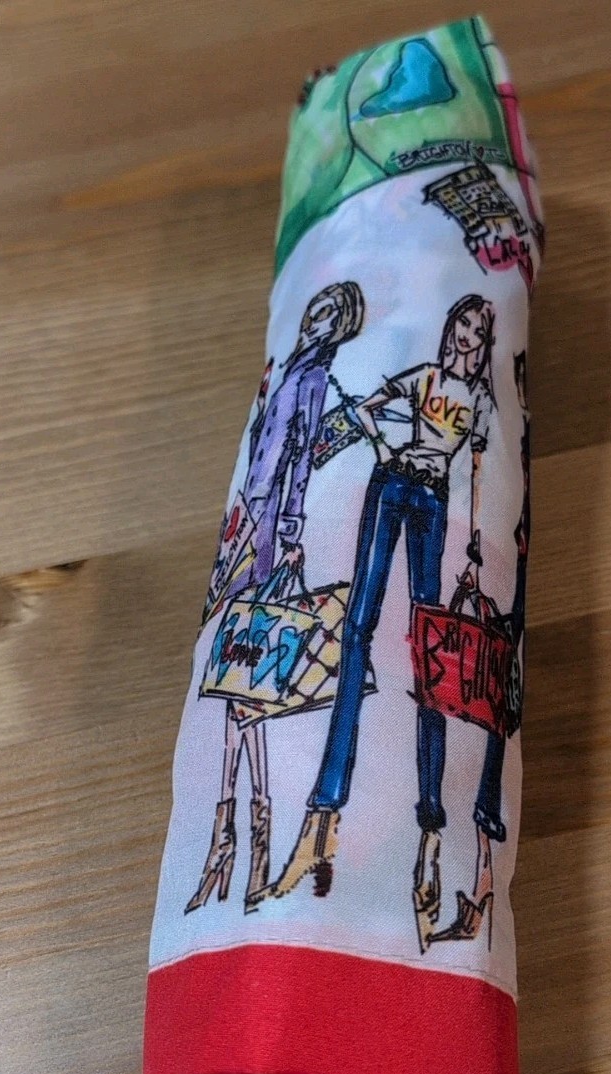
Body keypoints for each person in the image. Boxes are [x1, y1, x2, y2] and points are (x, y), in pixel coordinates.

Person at [265, 294, 496, 951]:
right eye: (462, 325)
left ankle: (429, 835)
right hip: (390, 485)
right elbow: (368, 410)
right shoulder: (423, 378)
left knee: (428, 658)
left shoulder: (477, 402)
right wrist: (388, 438)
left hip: (434, 501)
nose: (466, 337)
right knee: (357, 630)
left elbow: (478, 473)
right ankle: (322, 816)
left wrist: (475, 546)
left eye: (477, 330)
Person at [186, 280, 365, 915]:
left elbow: (299, 465)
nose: (317, 319)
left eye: (330, 315)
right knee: (239, 684)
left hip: (262, 536)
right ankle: (241, 838)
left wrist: (288, 536)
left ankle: (235, 841)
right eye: (318, 309)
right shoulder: (290, 368)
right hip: (244, 526)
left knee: (247, 681)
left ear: (340, 327)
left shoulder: (312, 380)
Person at [432, 349, 530, 943]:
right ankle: (480, 887)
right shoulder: (491, 416)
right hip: (496, 572)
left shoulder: (500, 418)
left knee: (493, 729)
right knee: (490, 732)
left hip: (503, 582)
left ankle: (480, 889)